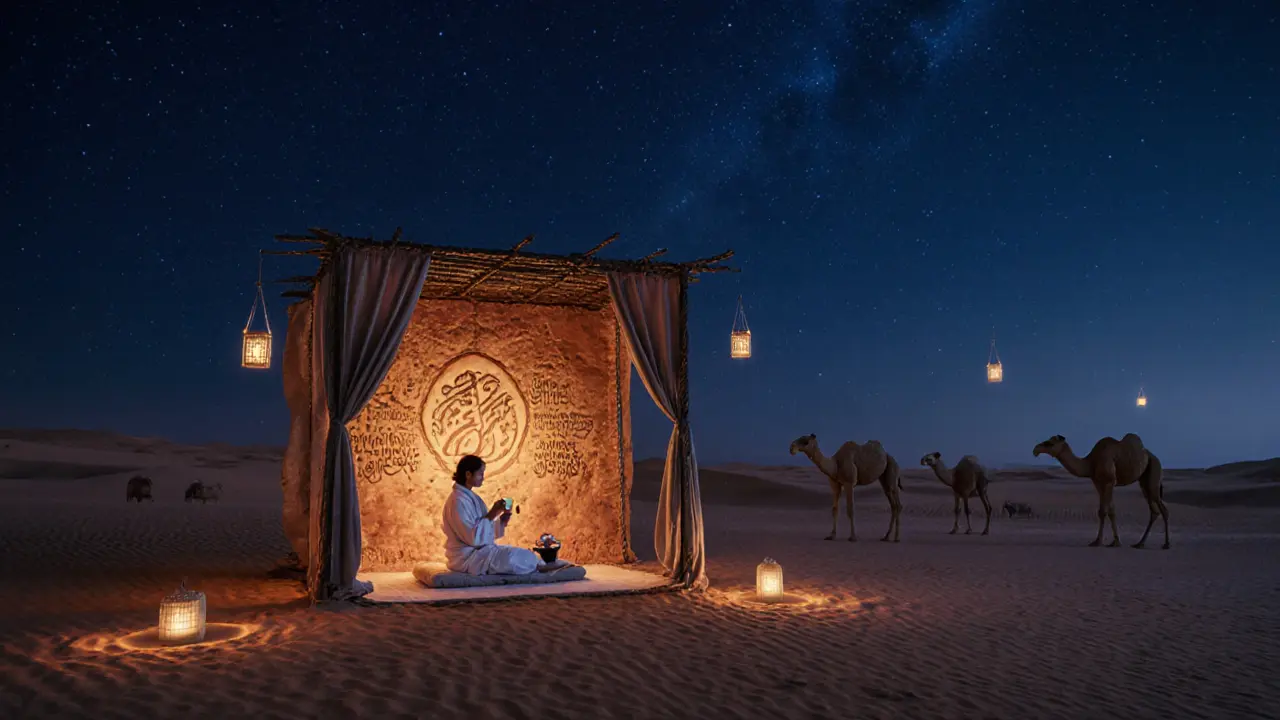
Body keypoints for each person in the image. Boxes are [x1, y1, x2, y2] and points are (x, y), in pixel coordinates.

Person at [442, 455, 545, 575]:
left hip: (482, 553)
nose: (483, 478)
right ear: (468, 474)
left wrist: (502, 521)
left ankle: (538, 564)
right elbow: (473, 538)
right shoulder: (457, 501)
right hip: (467, 558)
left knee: (525, 555)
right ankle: (540, 566)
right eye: (480, 474)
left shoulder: (471, 497)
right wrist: (493, 512)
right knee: (515, 558)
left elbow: (481, 527)